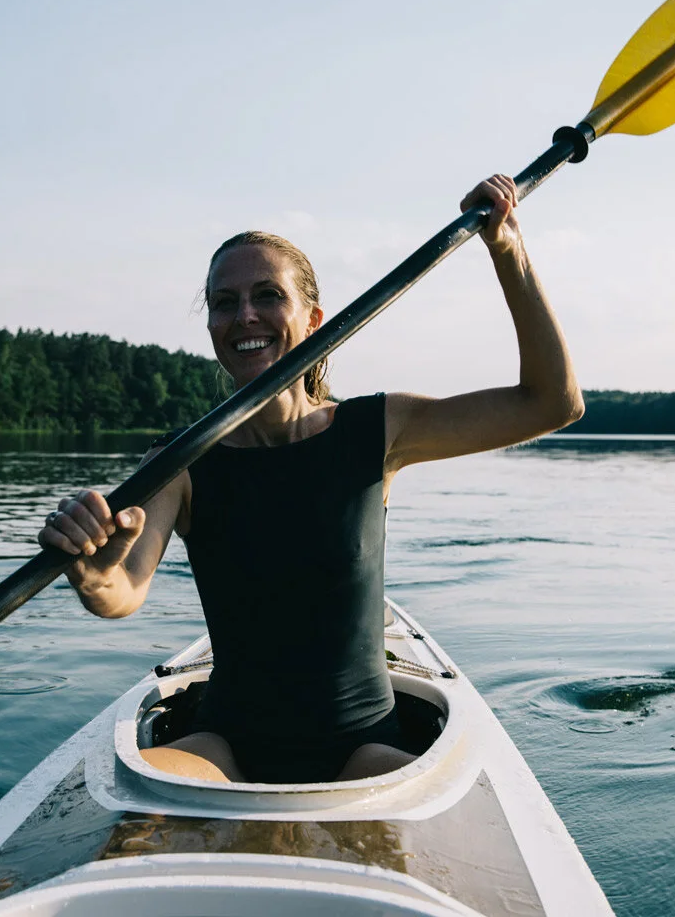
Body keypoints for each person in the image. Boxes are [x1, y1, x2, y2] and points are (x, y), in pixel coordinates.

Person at [38, 175, 583, 784]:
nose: (245, 314)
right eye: (224, 302)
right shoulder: (179, 460)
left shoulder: (380, 429)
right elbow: (122, 591)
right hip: (221, 748)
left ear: (315, 318)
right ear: (213, 325)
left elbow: (550, 403)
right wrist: (90, 572)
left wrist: (507, 250)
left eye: (268, 295)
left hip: (364, 749)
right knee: (132, 822)